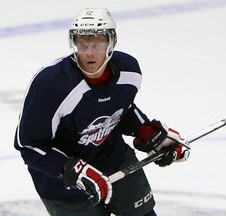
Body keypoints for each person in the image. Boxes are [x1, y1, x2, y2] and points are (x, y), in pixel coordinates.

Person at [14, 7, 190, 216]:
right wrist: (69, 169)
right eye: (82, 44)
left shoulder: (128, 71)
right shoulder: (52, 85)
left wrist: (147, 133)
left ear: (111, 43)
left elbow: (120, 107)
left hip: (113, 158)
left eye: (97, 44)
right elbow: (29, 144)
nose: (89, 52)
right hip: (63, 183)